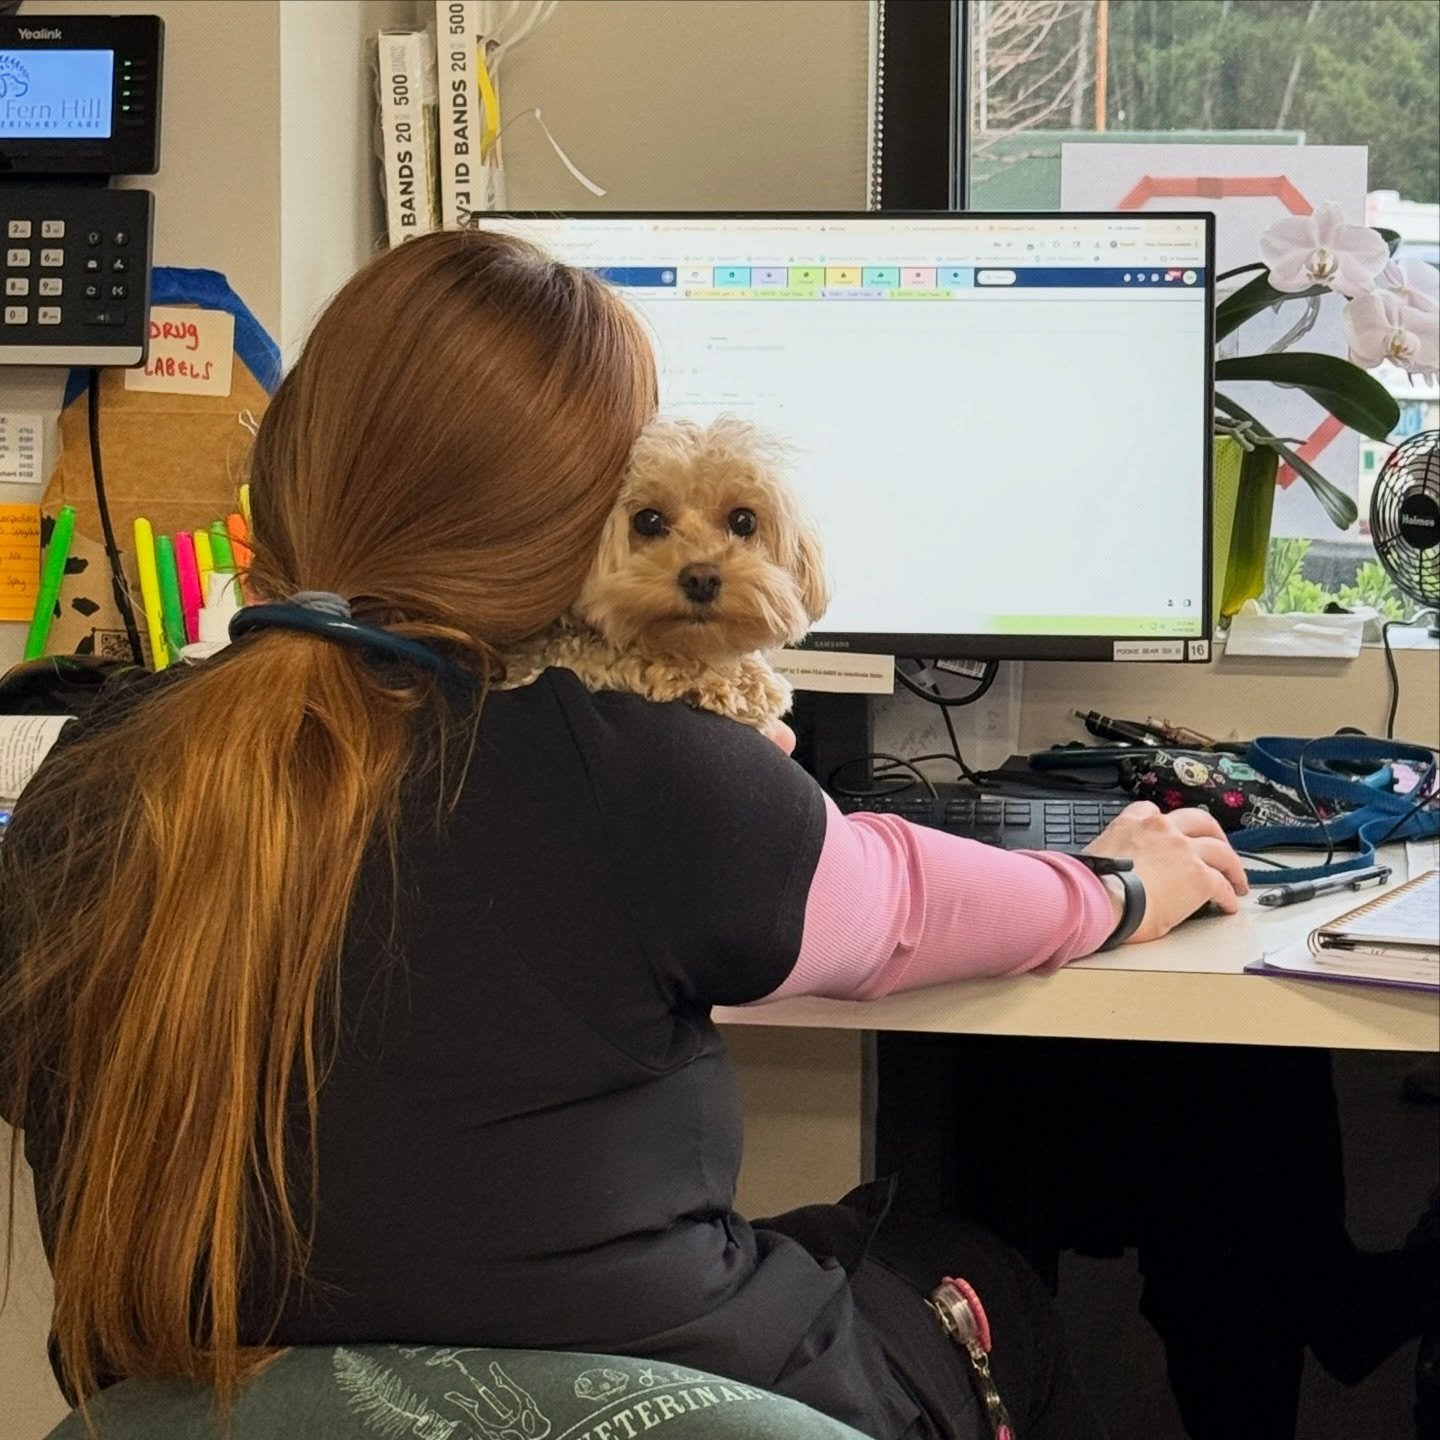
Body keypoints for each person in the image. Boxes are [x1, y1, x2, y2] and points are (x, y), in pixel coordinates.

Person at [0, 230, 1249, 1440]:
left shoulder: (90, 774)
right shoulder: (637, 768)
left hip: (196, 1406)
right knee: (977, 1271)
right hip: (655, 1397)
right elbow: (908, 903)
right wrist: (1120, 885)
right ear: (568, 523)